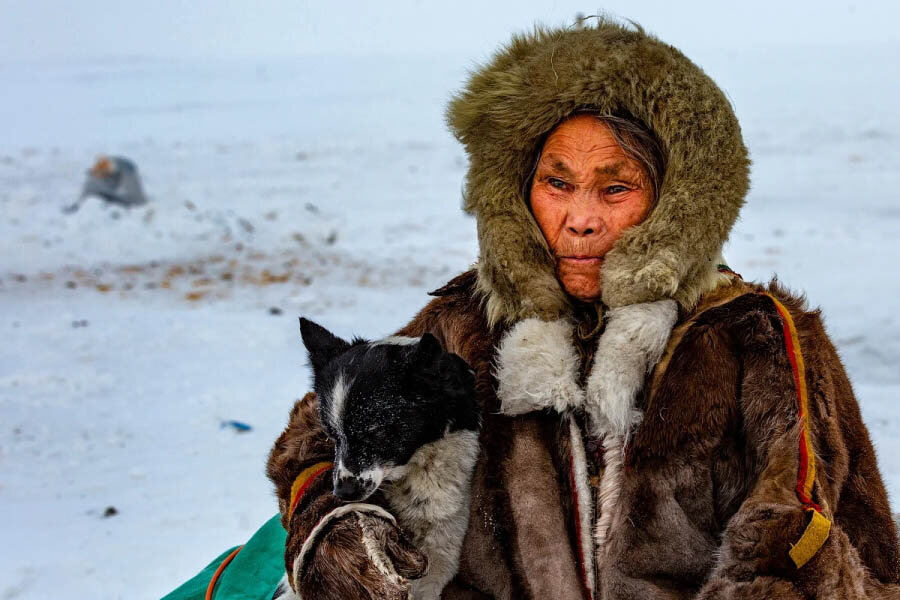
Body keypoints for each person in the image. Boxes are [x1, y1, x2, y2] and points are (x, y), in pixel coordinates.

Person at [265, 19, 900, 600]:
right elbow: (316, 440)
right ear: (517, 190)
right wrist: (335, 525)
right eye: (557, 183)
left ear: (676, 200)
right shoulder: (469, 323)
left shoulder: (755, 337)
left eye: (616, 188)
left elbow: (804, 532)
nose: (581, 220)